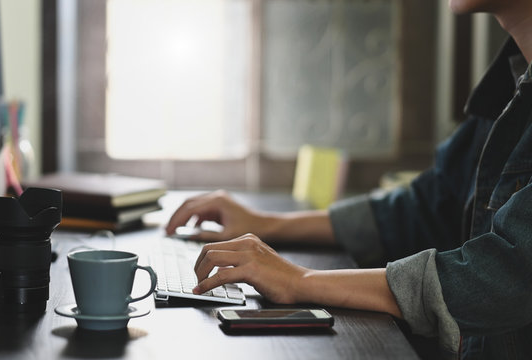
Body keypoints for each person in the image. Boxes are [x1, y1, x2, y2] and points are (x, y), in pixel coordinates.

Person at [165, 0, 532, 358]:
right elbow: (423, 206)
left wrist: (300, 281)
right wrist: (265, 224)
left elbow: (505, 274)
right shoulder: (507, 87)